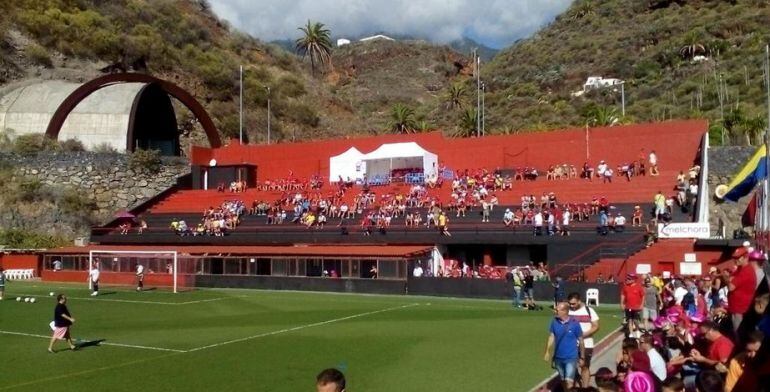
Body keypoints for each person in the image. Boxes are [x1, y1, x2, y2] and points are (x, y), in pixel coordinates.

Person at [543, 301, 584, 391]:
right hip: (558, 357)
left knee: (568, 381)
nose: (556, 312)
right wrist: (547, 351)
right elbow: (551, 336)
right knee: (563, 381)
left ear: (565, 311)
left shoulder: (575, 323)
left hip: (571, 357)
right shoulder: (554, 322)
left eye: (558, 310)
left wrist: (582, 357)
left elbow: (581, 340)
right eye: (556, 310)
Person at [567, 292, 600, 387]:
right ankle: (574, 385)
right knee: (570, 366)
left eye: (574, 303)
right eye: (570, 303)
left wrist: (582, 335)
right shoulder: (567, 311)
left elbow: (596, 326)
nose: (572, 306)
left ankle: (585, 388)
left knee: (584, 366)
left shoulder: (589, 310)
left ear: (579, 301)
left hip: (586, 343)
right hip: (570, 344)